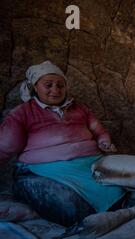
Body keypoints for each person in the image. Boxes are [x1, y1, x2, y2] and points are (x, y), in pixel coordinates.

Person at [0, 60, 126, 227]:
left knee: (119, 192)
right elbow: (6, 147)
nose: (55, 90)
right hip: (44, 171)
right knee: (69, 207)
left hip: (87, 165)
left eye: (60, 85)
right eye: (48, 85)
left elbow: (99, 131)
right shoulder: (22, 113)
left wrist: (104, 142)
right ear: (35, 87)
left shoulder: (79, 108)